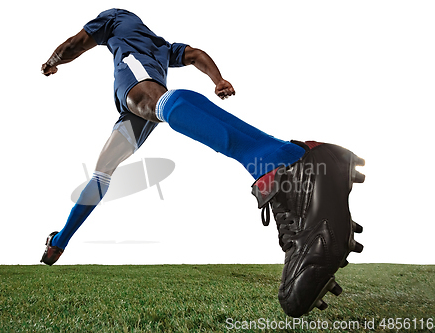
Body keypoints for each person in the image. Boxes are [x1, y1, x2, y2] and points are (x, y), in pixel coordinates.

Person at [40, 8, 365, 317]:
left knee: (146, 100)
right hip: (132, 116)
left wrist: (52, 62)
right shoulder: (163, 47)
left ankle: (279, 161)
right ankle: (60, 240)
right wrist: (217, 79)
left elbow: (74, 45)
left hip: (139, 100)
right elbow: (194, 54)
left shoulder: (117, 23)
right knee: (102, 173)